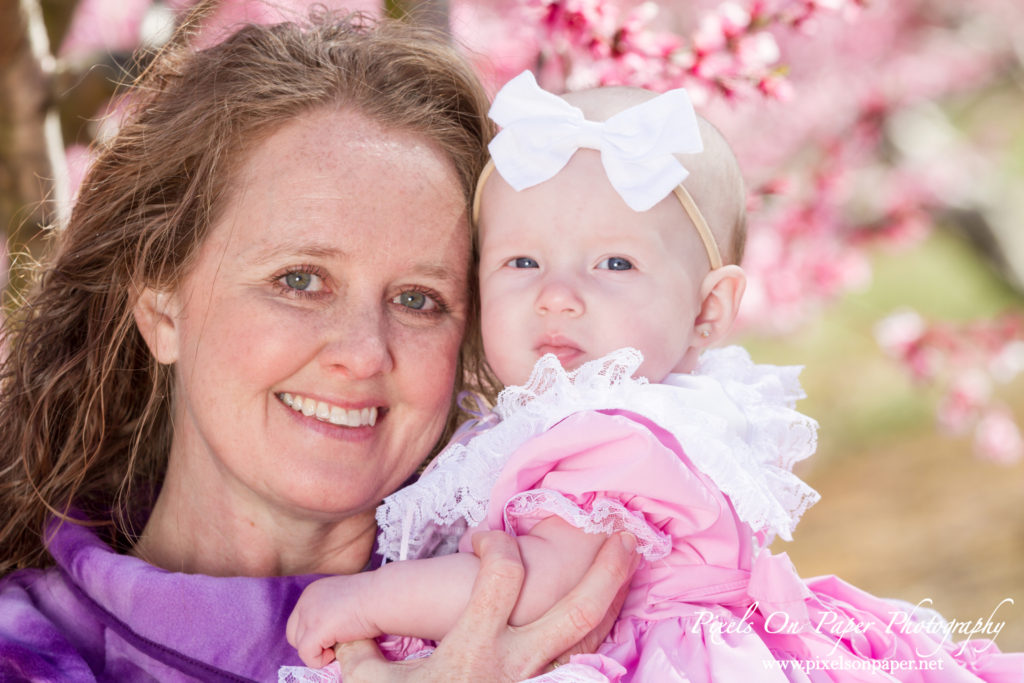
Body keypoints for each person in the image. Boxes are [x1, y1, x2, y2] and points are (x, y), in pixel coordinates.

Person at [285, 71, 1024, 681]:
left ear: (707, 311)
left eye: (614, 263)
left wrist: (364, 601)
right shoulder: (557, 423)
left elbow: (538, 583)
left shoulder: (619, 434)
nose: (557, 293)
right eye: (522, 261)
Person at [0, 12, 640, 682]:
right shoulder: (26, 655)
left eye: (419, 299)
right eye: (299, 280)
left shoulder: (579, 616)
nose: (364, 353)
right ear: (161, 306)